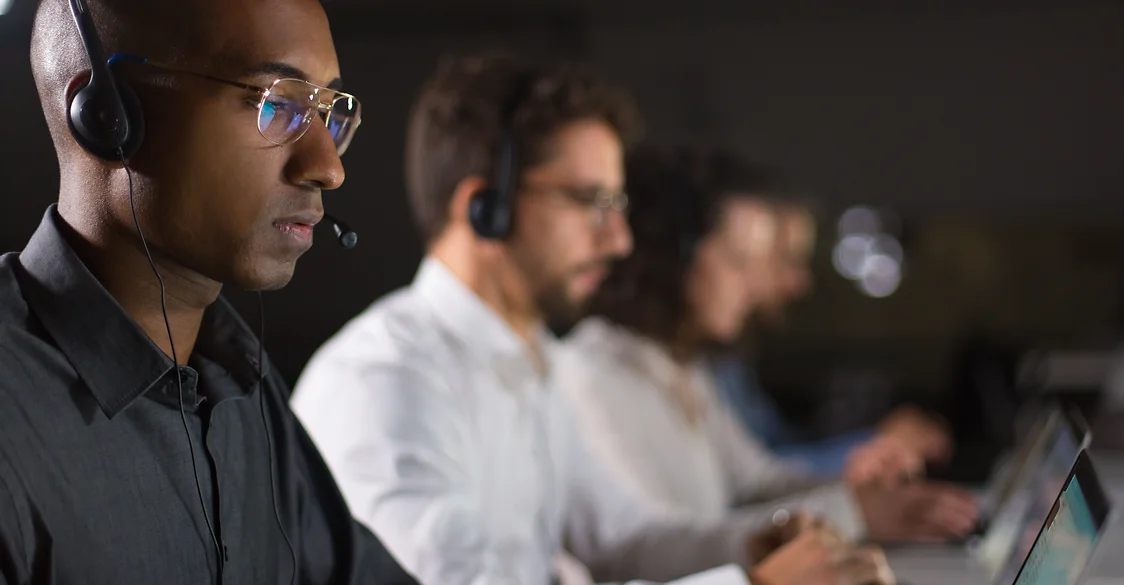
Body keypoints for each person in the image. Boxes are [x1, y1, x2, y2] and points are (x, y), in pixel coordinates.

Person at [292, 53, 888, 585]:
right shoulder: (385, 378)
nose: (621, 238)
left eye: (618, 205)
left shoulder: (531, 360)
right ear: (483, 209)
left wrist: (752, 546)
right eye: (590, 203)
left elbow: (622, 540)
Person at [0, 0, 416, 583]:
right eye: (276, 102)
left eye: (330, 113)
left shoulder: (239, 382)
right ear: (107, 115)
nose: (328, 167)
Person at [555, 147, 979, 546]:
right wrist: (851, 514)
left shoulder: (680, 366)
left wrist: (869, 495)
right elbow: (642, 545)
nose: (757, 287)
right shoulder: (592, 373)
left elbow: (759, 482)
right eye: (739, 263)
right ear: (673, 259)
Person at [710, 198, 953, 486]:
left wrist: (874, 442)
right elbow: (756, 476)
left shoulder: (730, 359)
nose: (801, 282)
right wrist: (871, 446)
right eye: (786, 260)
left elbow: (769, 450)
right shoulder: (706, 363)